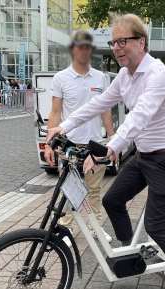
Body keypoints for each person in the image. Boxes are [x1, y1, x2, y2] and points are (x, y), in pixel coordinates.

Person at [45, 13, 165, 289]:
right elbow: (99, 103)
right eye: (113, 42)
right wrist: (64, 127)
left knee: (157, 225)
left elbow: (139, 116)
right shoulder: (125, 75)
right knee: (112, 199)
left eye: (123, 41)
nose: (117, 47)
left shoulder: (157, 74)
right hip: (145, 155)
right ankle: (130, 254)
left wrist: (110, 147)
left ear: (140, 42)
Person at [44, 30, 115, 244]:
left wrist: (114, 141)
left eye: (87, 47)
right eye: (80, 47)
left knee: (93, 190)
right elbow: (55, 112)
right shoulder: (61, 78)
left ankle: (96, 227)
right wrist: (49, 145)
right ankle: (65, 229)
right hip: (68, 145)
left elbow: (105, 111)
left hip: (94, 143)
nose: (84, 51)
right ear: (73, 50)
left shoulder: (100, 77)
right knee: (68, 191)